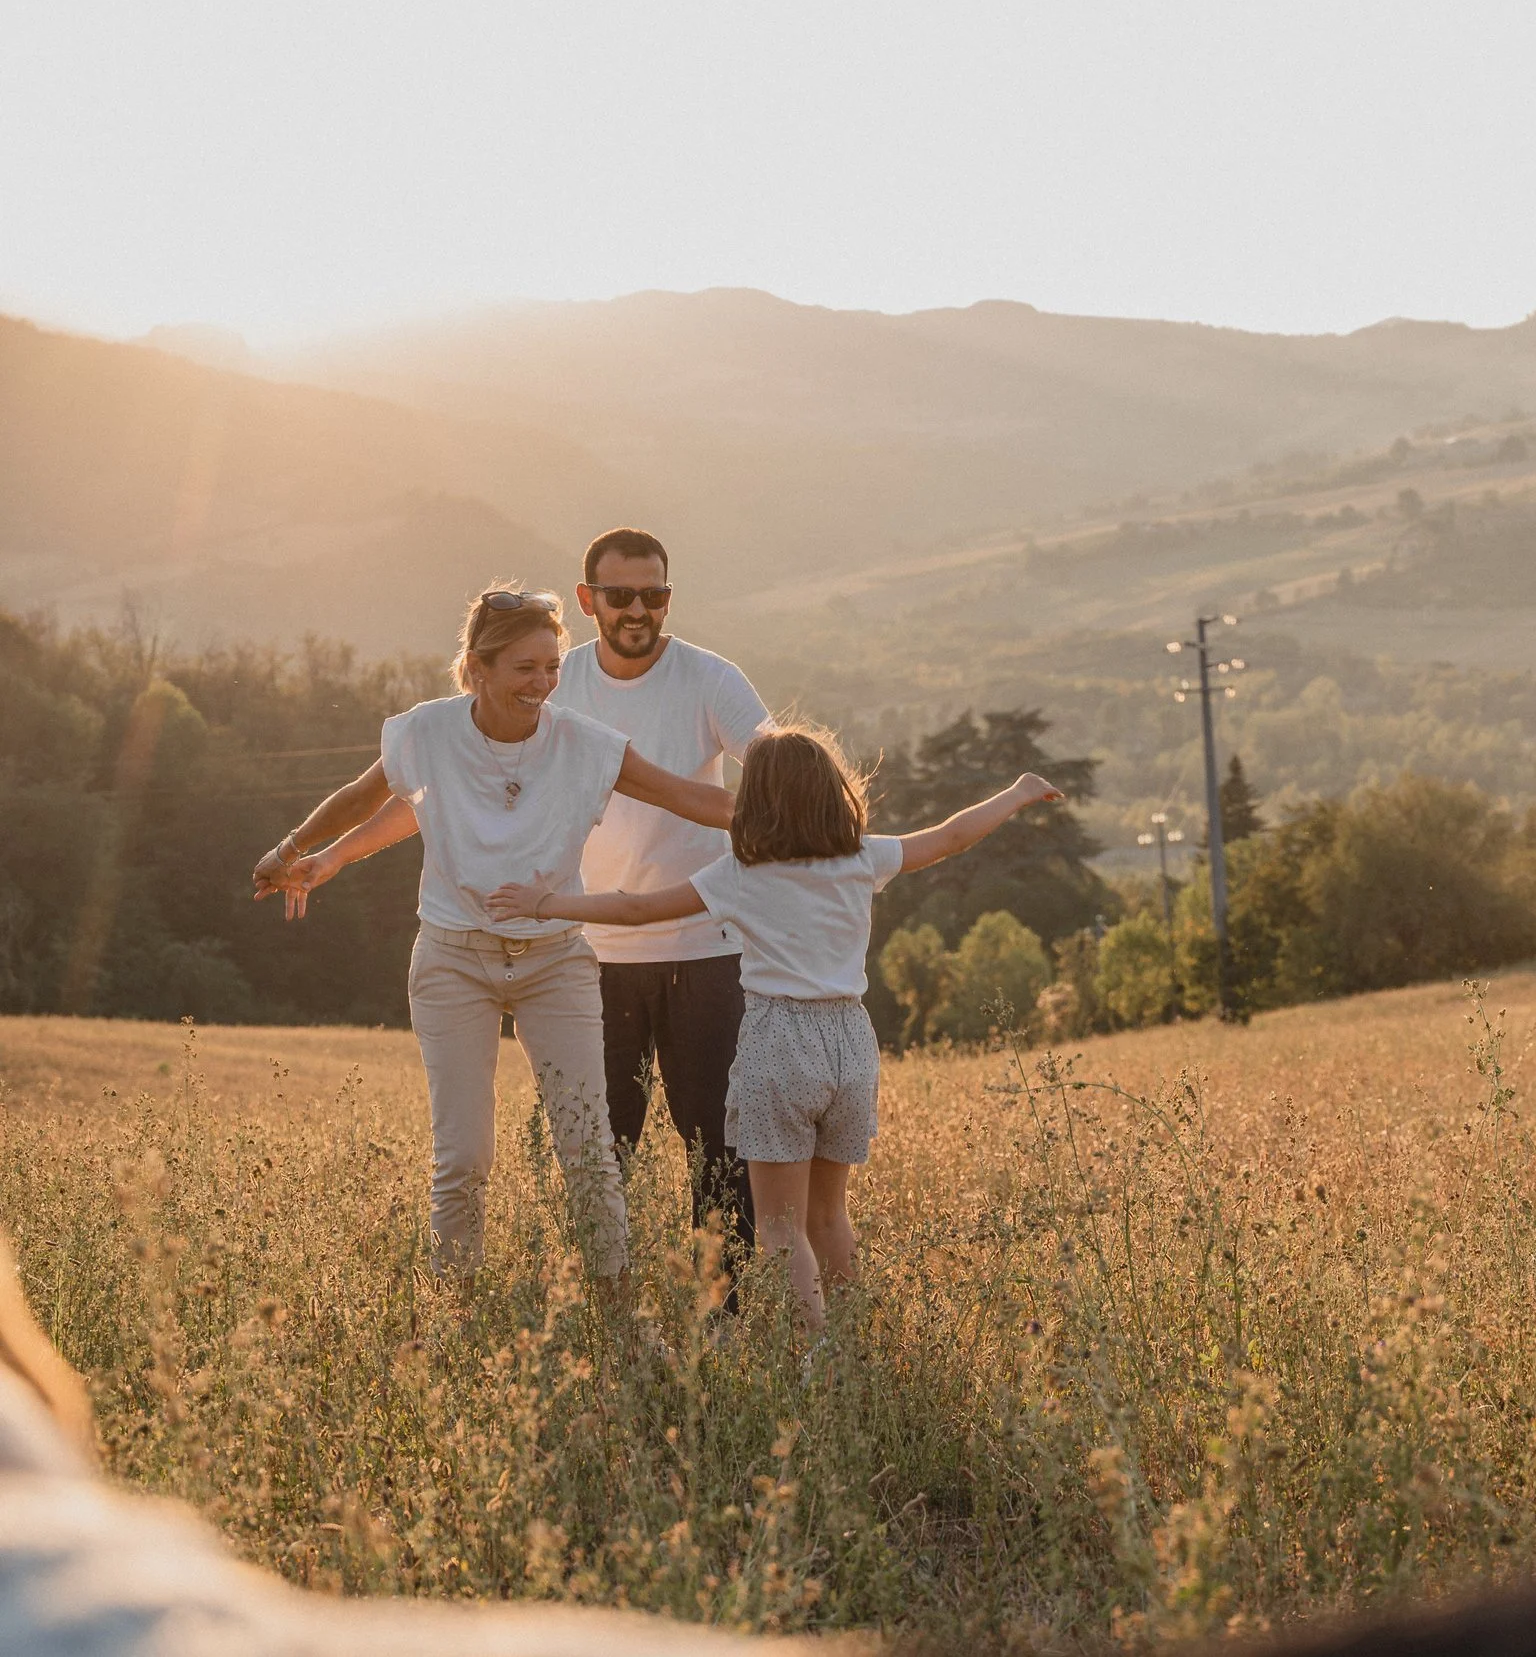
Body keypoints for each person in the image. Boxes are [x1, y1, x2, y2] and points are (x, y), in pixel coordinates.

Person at [488, 726, 1062, 1331]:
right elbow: (949, 837)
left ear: (757, 802)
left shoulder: (741, 875)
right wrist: (1016, 793)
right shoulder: (862, 859)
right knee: (829, 1217)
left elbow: (634, 909)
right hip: (851, 1042)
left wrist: (545, 903)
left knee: (779, 1228)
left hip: (779, 1043)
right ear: (830, 793)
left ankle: (816, 1356)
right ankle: (847, 1349)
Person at [251, 586, 734, 1280]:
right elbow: (368, 798)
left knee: (588, 1152)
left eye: (552, 667)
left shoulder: (584, 744)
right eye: (524, 668)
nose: (542, 685)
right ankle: (454, 1316)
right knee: (463, 1159)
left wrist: (804, 820)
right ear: (476, 668)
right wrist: (297, 848)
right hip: (454, 960)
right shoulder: (427, 732)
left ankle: (621, 1321)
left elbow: (687, 795)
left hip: (556, 962)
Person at [549, 528, 772, 1261]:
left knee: (717, 1146)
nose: (639, 610)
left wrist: (819, 815)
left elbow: (772, 762)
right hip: (590, 953)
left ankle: (724, 1318)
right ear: (588, 601)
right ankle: (598, 1310)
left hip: (704, 946)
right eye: (620, 596)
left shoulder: (710, 678)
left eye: (656, 594)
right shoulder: (557, 682)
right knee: (597, 1146)